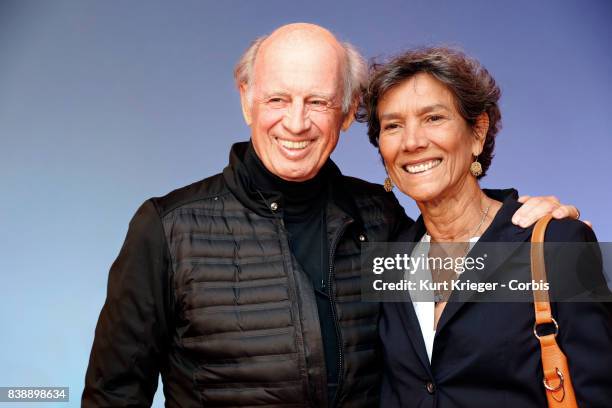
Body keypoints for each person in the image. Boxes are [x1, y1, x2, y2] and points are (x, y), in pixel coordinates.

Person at [82, 25, 581, 407]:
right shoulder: (168, 229)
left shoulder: (381, 219)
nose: (296, 122)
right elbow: (112, 397)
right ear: (246, 100)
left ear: (345, 111)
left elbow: (467, 285)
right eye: (278, 98)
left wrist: (537, 228)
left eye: (317, 101)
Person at [360, 46, 612, 407]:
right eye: (393, 125)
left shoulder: (555, 244)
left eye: (433, 118)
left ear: (477, 133)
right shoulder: (391, 258)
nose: (412, 141)